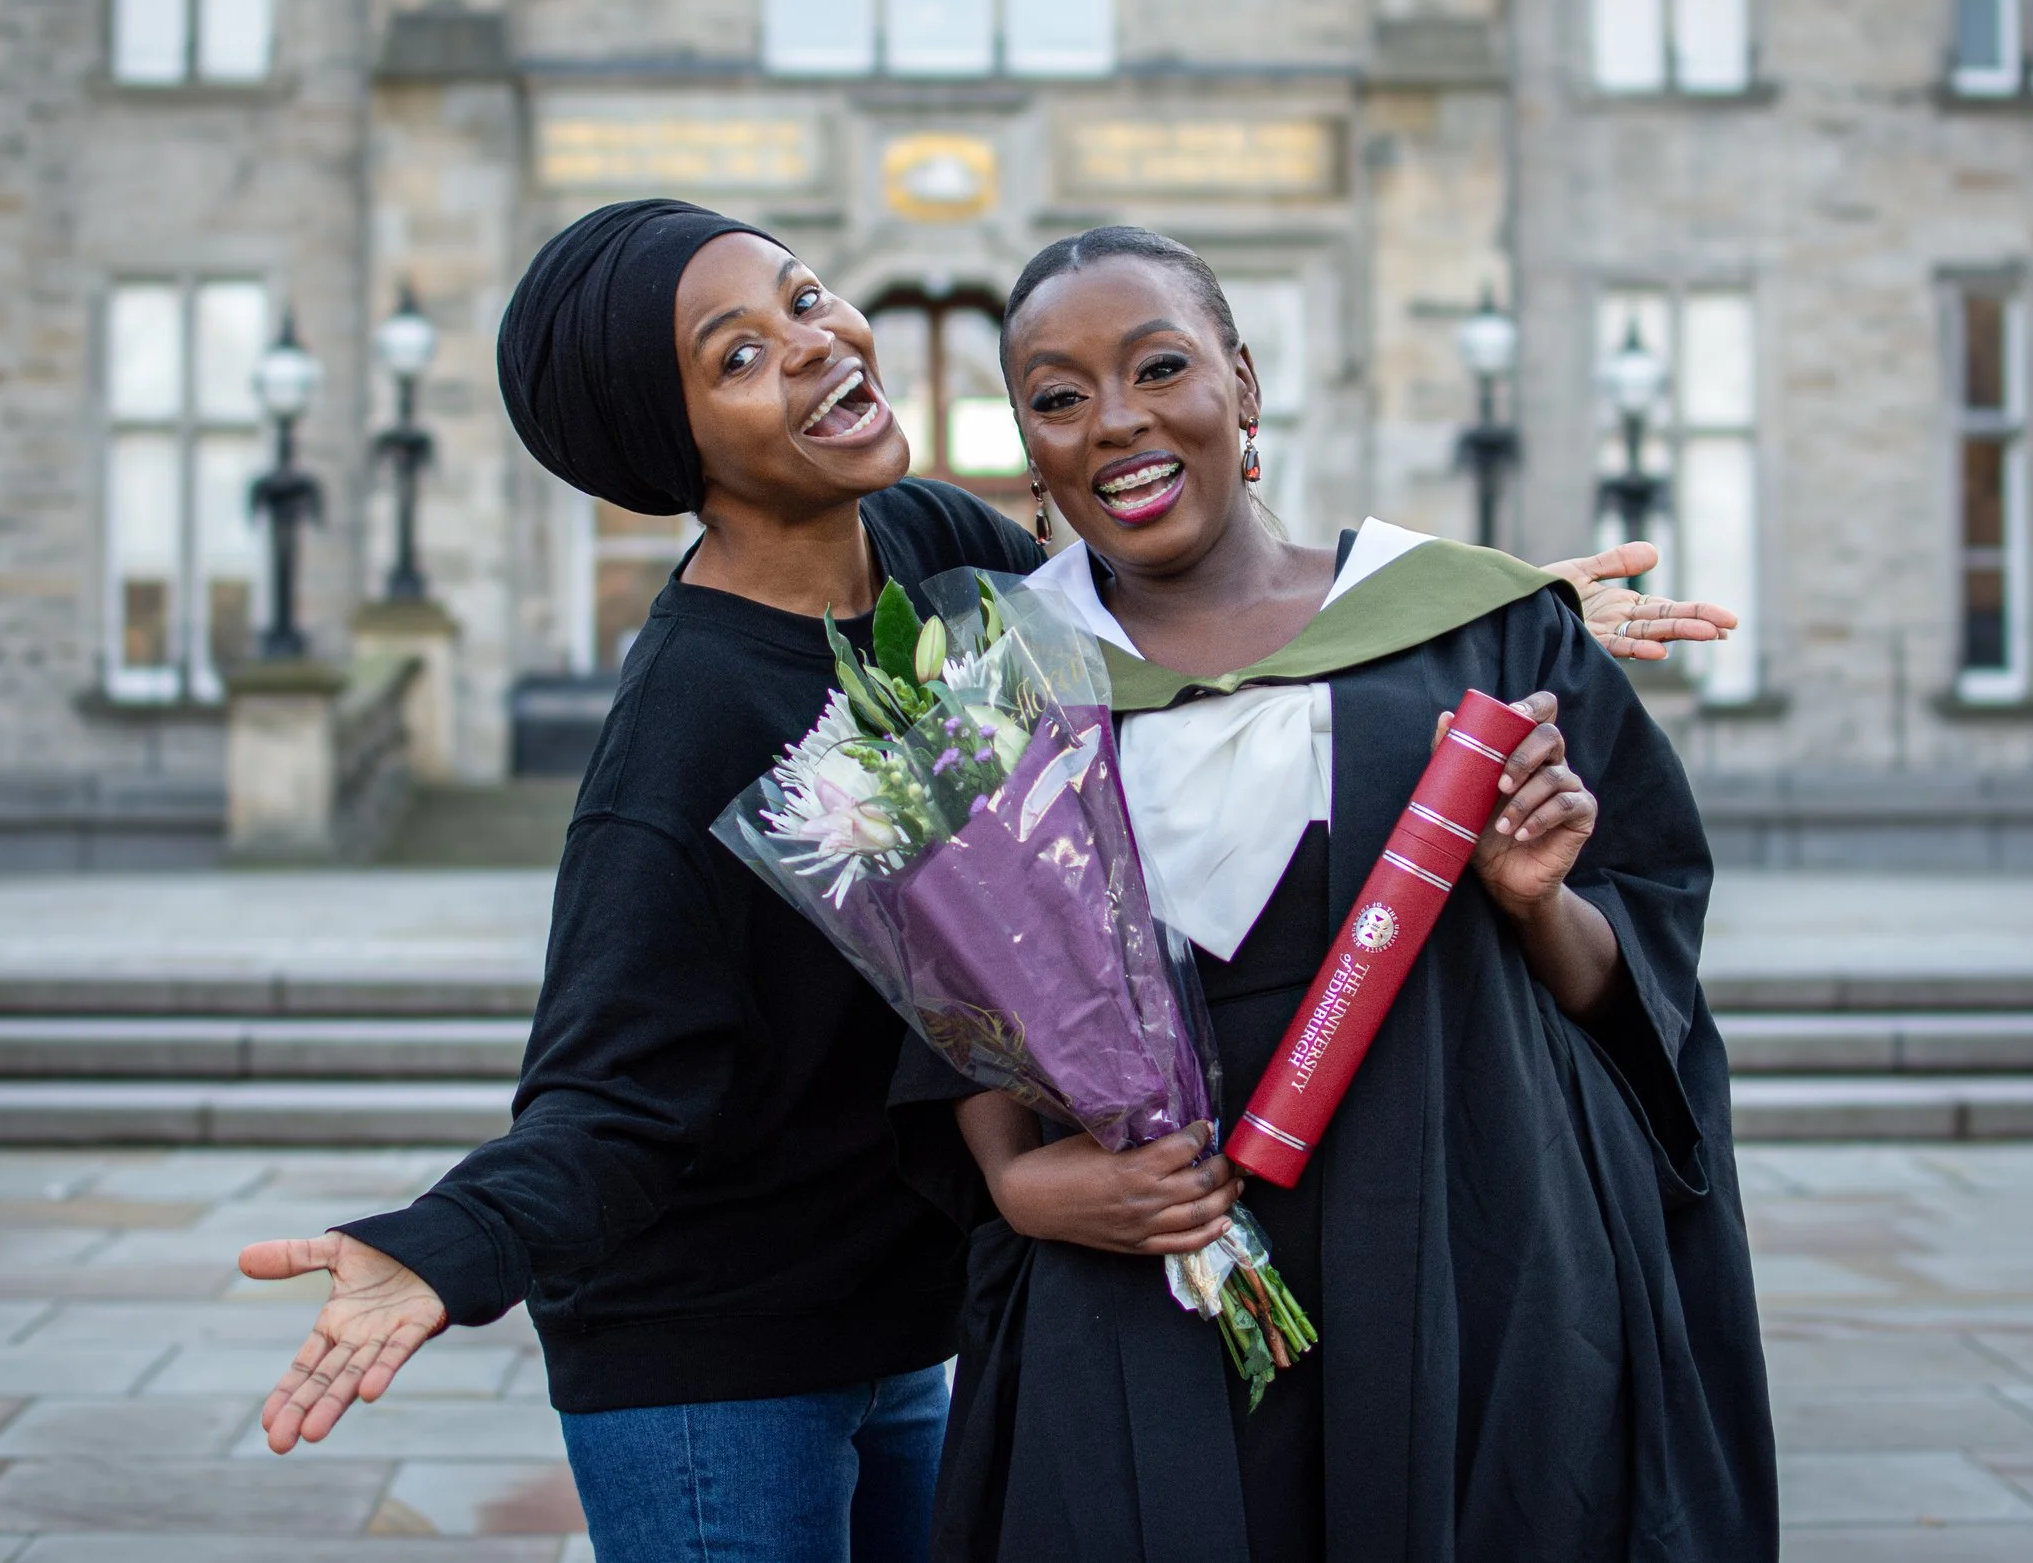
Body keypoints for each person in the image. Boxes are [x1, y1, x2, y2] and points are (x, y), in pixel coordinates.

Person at [230, 200, 1740, 1563]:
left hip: (907, 1308)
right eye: (742, 354)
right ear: (667, 444)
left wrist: (1485, 616)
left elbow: (1218, 613)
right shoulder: (686, 729)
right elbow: (611, 1090)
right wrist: (446, 1247)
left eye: (807, 294)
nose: (819, 343)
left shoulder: (934, 561)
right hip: (717, 1338)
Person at [907, 227, 1775, 1562]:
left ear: (1242, 388)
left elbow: (1638, 977)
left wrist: (1535, 899)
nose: (1117, 420)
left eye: (1159, 366)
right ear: (1027, 439)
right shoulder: (987, 676)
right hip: (1133, 1275)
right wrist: (1019, 1185)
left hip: (1454, 1252)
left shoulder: (1479, 628)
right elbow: (953, 990)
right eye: (1058, 395)